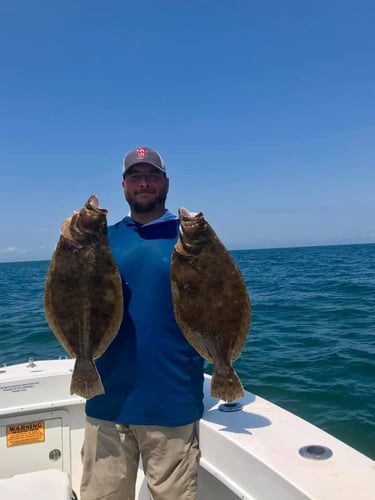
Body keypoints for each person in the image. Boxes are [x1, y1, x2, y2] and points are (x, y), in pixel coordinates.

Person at [80, 146, 205, 500]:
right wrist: (71, 241)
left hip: (172, 402)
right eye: (135, 177)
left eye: (151, 176)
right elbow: (71, 295)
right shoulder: (101, 239)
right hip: (106, 401)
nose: (144, 183)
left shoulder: (192, 238)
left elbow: (218, 304)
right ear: (124, 186)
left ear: (165, 182)